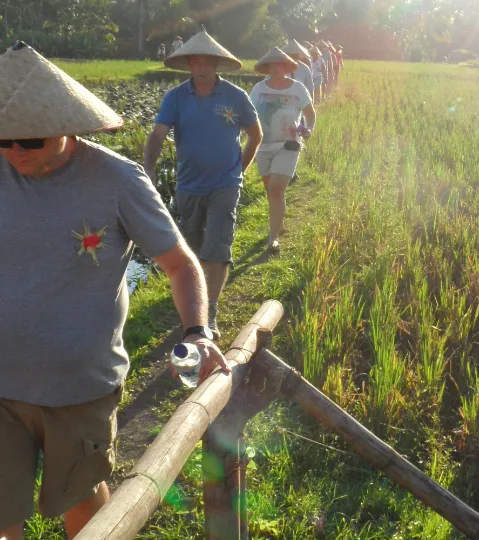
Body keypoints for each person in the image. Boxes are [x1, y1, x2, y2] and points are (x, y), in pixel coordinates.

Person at [0, 41, 228, 540]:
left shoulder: (118, 179)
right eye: (4, 139)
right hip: (1, 384)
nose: (16, 150)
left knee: (80, 500)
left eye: (32, 138)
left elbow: (179, 264)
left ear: (67, 125)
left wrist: (198, 330)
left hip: (79, 387)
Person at [144, 30, 262, 339]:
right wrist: (149, 167)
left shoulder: (236, 97)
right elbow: (157, 134)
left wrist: (241, 168)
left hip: (225, 183)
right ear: (189, 65)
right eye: (196, 62)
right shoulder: (176, 97)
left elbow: (255, 134)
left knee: (217, 247)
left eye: (208, 62)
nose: (203, 68)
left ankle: (210, 312)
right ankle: (192, 303)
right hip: (188, 185)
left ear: (218, 64)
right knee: (191, 248)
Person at [249, 48, 316, 253]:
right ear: (266, 68)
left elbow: (310, 113)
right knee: (271, 189)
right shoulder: (258, 89)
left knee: (277, 188)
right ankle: (279, 222)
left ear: (287, 67)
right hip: (263, 146)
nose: (276, 69)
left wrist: (309, 129)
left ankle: (272, 238)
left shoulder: (297, 89)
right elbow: (249, 114)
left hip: (289, 144)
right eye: (272, 65)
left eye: (280, 65)